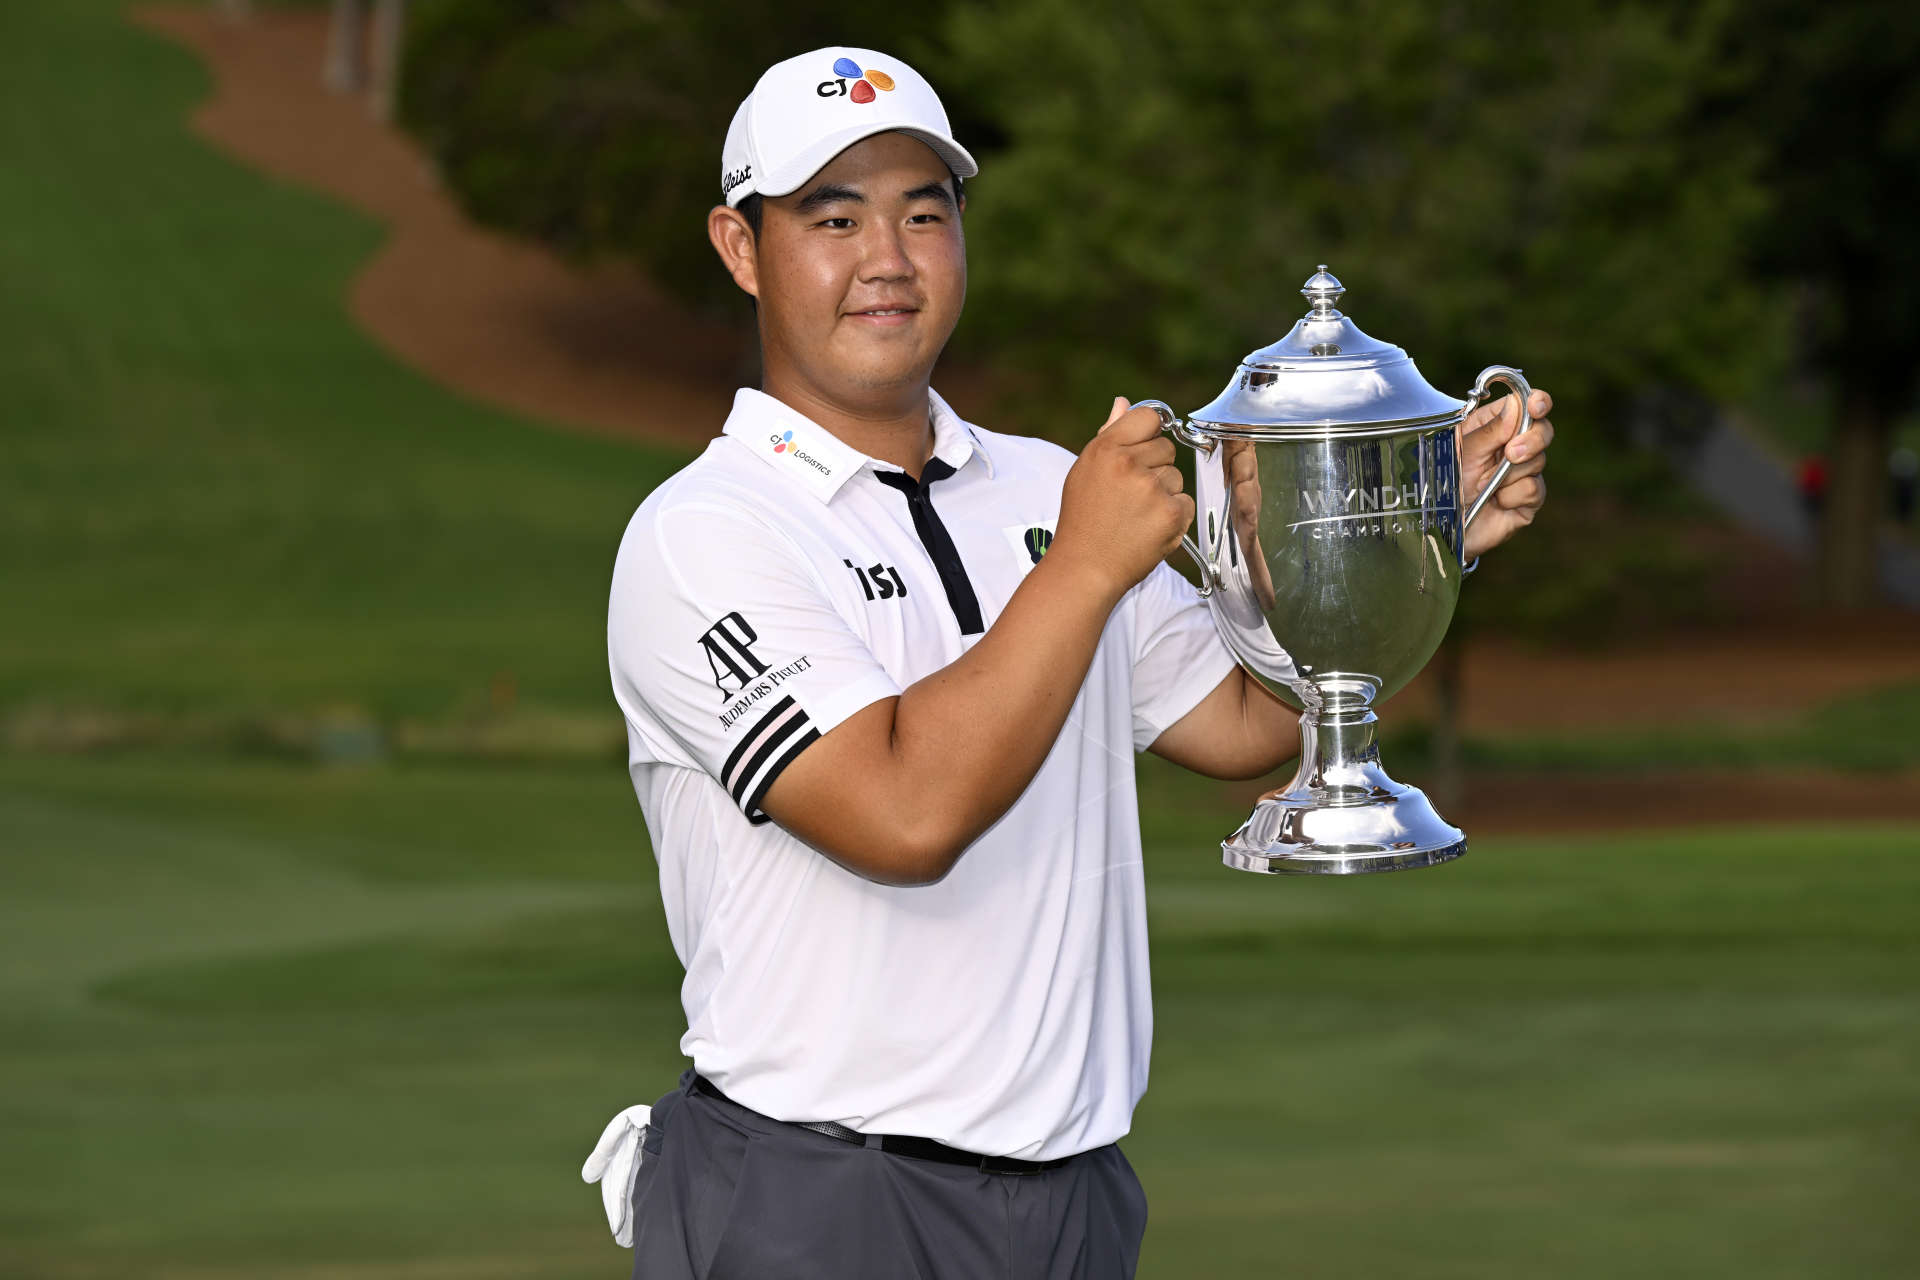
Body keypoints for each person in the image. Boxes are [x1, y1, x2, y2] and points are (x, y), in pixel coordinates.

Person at [591, 46, 1555, 1279]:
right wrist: (1086, 567)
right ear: (742, 248)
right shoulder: (702, 532)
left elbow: (1250, 724)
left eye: (923, 214)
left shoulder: (1046, 486)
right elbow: (902, 812)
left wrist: (1397, 542)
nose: (886, 259)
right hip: (817, 1200)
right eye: (834, 218)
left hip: (1074, 1200)